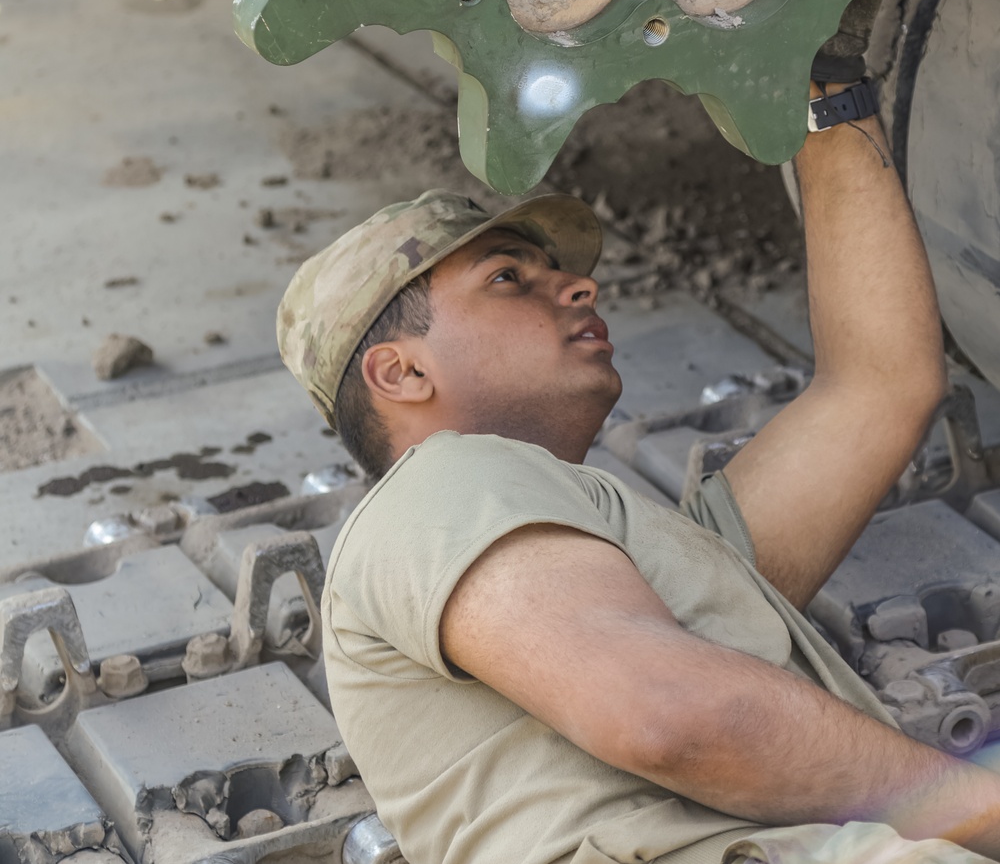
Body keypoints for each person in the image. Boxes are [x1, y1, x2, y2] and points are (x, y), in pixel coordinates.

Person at [277, 80, 1000, 864]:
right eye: (507, 278)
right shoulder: (431, 492)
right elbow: (671, 713)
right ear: (402, 374)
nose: (580, 284)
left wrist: (817, 84)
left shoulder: (660, 571)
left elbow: (881, 385)